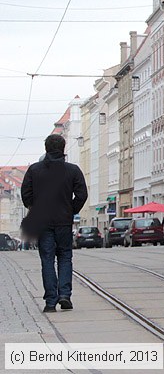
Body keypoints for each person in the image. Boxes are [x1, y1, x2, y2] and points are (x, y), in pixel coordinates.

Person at [21, 134, 88, 313]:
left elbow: (26, 195)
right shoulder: (73, 170)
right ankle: (65, 295)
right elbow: (82, 194)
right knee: (65, 257)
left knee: (47, 260)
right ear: (63, 149)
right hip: (64, 222)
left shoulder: (34, 170)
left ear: (46, 149)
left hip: (43, 222)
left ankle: (50, 301)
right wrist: (71, 209)